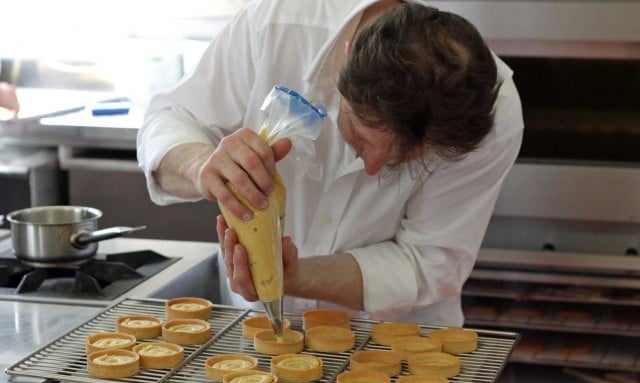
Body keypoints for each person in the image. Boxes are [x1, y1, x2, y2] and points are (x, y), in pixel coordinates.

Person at [137, 0, 523, 327]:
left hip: (397, 348)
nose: (374, 169)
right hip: (254, 330)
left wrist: (294, 276)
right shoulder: (275, 28)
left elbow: (428, 263)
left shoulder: (494, 114)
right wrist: (201, 166)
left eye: (412, 161)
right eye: (363, 139)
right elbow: (168, 117)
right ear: (346, 58)